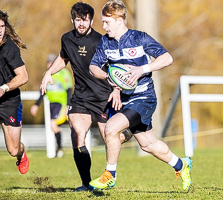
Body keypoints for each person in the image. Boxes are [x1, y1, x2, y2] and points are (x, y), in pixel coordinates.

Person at [89, 0, 193, 191]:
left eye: (107, 22)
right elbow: (93, 66)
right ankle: (182, 165)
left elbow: (167, 58)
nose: (103, 26)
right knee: (148, 144)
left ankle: (110, 174)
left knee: (111, 130)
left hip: (144, 97)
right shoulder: (105, 41)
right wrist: (108, 77)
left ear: (120, 20)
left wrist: (141, 69)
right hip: (125, 101)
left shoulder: (140, 38)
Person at [40, 1, 131, 191]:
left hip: (103, 96)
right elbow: (63, 58)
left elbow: (116, 67)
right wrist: (49, 73)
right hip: (80, 97)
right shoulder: (66, 39)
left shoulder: (102, 41)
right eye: (78, 20)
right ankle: (86, 183)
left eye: (86, 20)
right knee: (77, 135)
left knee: (112, 137)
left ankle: (125, 137)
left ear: (91, 20)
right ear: (72, 19)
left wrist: (116, 89)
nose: (82, 23)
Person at [0, 10, 29, 174]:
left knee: (13, 149)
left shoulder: (9, 47)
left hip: (9, 101)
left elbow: (23, 76)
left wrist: (3, 88)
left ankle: (21, 153)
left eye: (2, 26)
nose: (0, 30)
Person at [30, 53, 73, 158]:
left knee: (54, 125)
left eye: (51, 62)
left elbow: (69, 90)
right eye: (48, 62)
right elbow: (43, 91)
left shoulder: (64, 73)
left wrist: (67, 106)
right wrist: (36, 105)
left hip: (61, 104)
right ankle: (60, 149)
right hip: (52, 104)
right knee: (55, 126)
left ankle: (62, 148)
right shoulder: (47, 74)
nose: (49, 64)